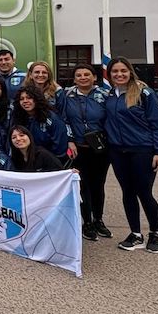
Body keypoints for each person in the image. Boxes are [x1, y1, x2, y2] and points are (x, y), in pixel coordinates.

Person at [104, 57, 158, 253]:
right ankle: (136, 234)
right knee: (128, 192)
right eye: (115, 72)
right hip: (118, 151)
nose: (119, 74)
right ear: (109, 74)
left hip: (142, 150)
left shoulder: (143, 92)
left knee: (144, 192)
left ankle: (156, 233)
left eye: (123, 71)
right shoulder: (109, 95)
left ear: (130, 71)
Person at [64, 64, 111, 241]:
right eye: (79, 75)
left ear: (94, 77)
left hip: (100, 149)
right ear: (74, 79)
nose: (83, 77)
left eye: (87, 74)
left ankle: (98, 219)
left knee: (98, 185)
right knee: (82, 185)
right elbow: (64, 119)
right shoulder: (67, 95)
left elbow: (112, 120)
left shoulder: (105, 95)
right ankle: (87, 222)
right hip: (78, 149)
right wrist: (70, 140)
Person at [12, 85, 71, 161]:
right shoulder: (18, 118)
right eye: (21, 99)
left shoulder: (51, 118)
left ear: (37, 99)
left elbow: (59, 145)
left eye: (29, 98)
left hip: (50, 160)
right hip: (27, 160)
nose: (25, 101)